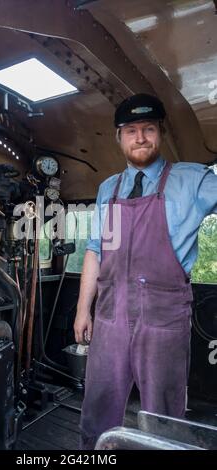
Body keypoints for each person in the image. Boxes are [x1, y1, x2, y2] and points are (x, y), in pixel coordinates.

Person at [73, 93, 217, 450]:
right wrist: (82, 310)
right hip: (110, 314)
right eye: (131, 130)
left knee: (163, 411)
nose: (140, 137)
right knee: (99, 402)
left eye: (148, 129)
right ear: (119, 137)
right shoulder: (109, 189)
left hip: (163, 317)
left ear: (160, 133)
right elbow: (96, 250)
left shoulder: (192, 180)